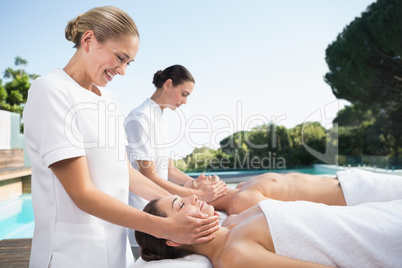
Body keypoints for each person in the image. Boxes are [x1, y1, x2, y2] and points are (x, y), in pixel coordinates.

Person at [23, 6, 219, 268]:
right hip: (70, 254)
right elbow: (81, 192)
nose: (123, 70)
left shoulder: (108, 99)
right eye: (119, 57)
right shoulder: (51, 91)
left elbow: (124, 172)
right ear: (89, 40)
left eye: (128, 62)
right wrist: (163, 227)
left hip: (116, 250)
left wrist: (183, 201)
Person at [135, 193, 402, 268]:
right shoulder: (235, 256)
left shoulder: (232, 223)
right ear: (172, 238)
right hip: (384, 238)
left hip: (379, 215)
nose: (192, 198)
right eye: (180, 204)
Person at [124, 65, 227, 253]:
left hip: (166, 208)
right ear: (169, 84)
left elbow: (170, 170)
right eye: (184, 94)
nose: (185, 101)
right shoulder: (139, 118)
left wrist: (197, 184)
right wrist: (194, 197)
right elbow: (150, 177)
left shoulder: (159, 118)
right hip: (146, 212)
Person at [185, 168, 402, 214]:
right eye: (196, 183)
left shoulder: (241, 188)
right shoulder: (241, 203)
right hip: (355, 196)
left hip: (352, 180)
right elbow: (296, 217)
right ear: (204, 198)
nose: (202, 176)